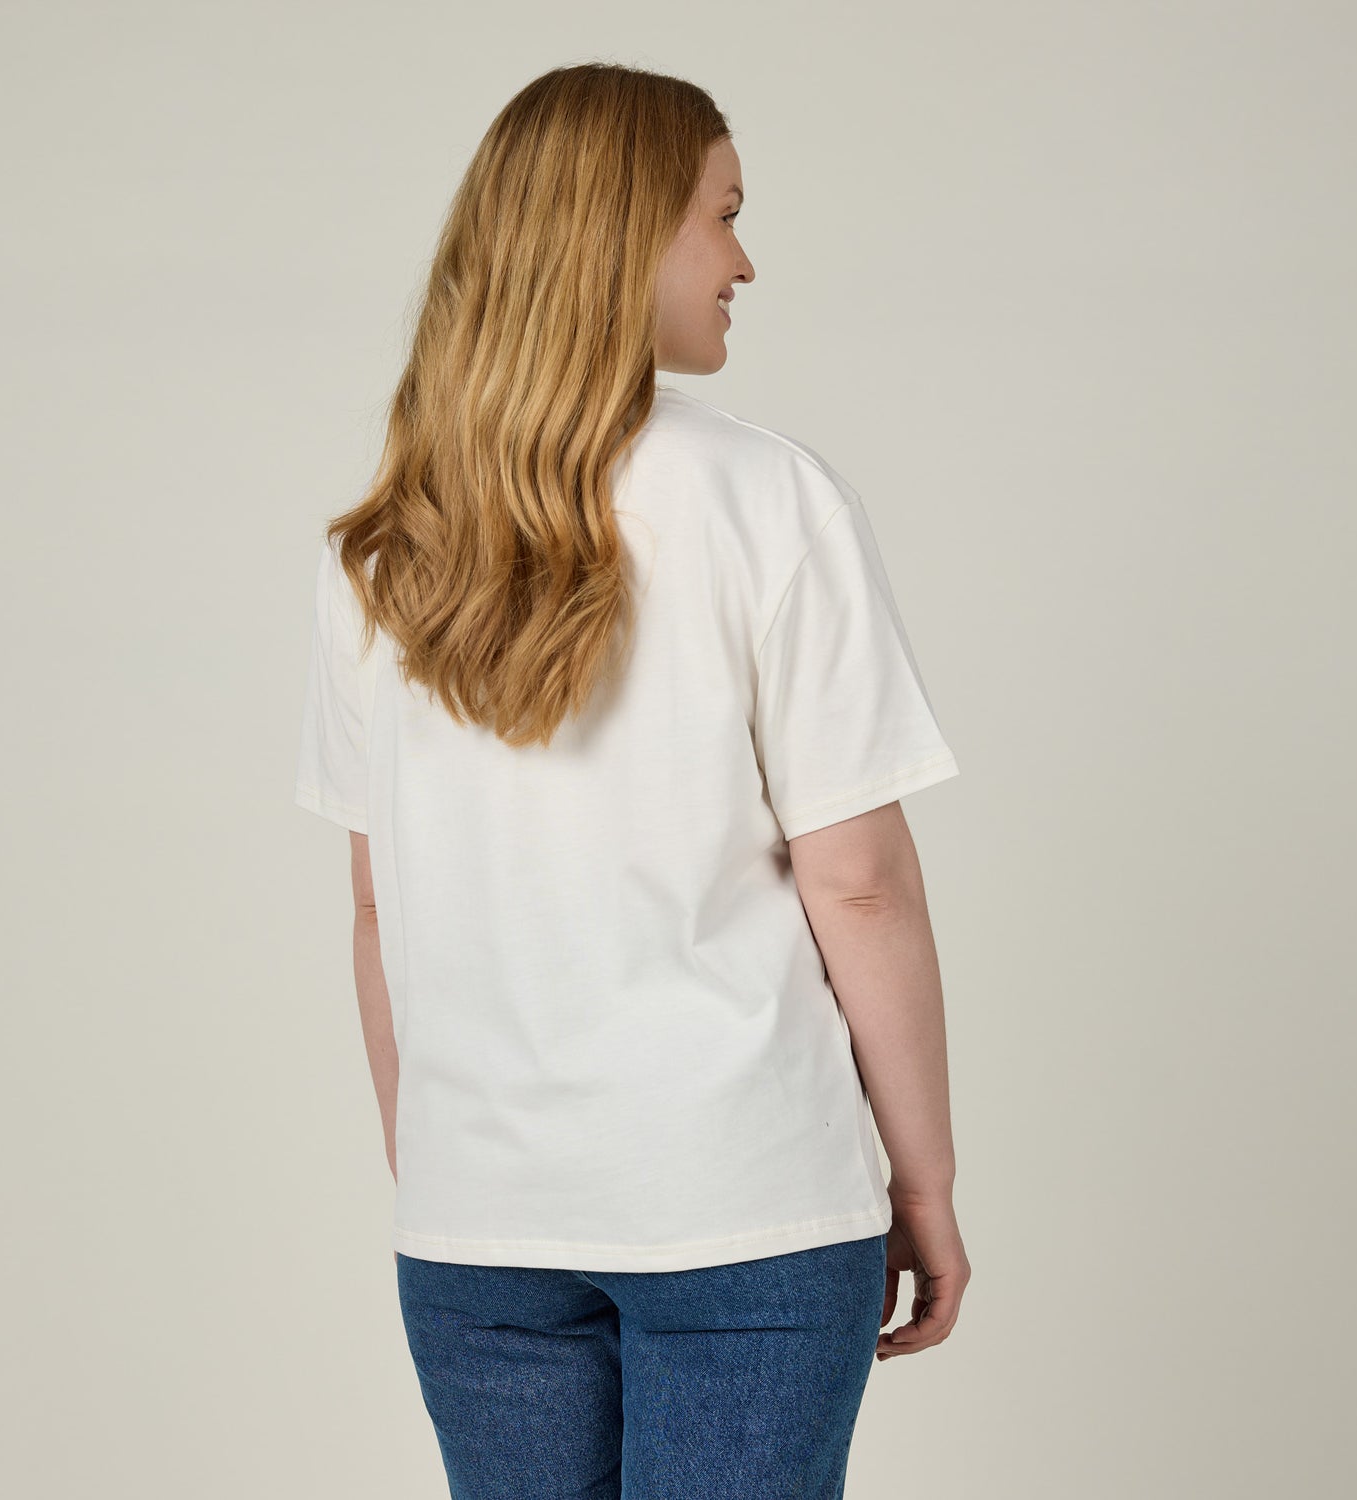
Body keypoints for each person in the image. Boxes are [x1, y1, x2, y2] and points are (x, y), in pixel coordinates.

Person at [293, 60, 970, 1500]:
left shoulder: (387, 544)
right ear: (624, 234)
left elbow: (376, 906)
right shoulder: (767, 496)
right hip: (746, 1207)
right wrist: (922, 1180)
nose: (744, 261)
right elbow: (859, 884)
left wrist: (455, 1173)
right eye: (723, 215)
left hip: (477, 1225)